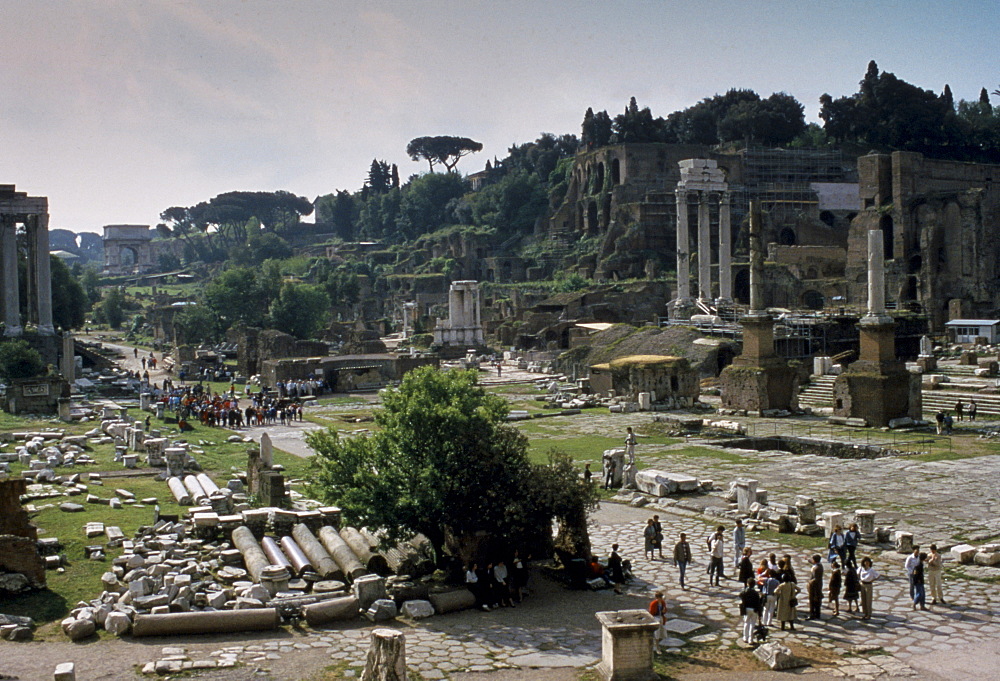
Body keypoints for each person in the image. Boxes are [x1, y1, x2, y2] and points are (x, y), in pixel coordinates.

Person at [739, 578, 764, 645]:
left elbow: (740, 595)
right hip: (754, 609)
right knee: (752, 624)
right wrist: (760, 613)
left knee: (746, 623)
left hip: (746, 608)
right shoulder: (755, 593)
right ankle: (751, 639)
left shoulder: (745, 591)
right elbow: (758, 603)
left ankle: (745, 637)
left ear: (748, 584)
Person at [807, 554, 824, 620]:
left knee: (813, 600)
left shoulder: (817, 568)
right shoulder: (818, 565)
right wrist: (807, 559)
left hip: (815, 586)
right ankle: (817, 613)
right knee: (816, 600)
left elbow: (816, 579)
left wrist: (810, 582)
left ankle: (813, 614)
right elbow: (812, 562)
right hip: (816, 585)